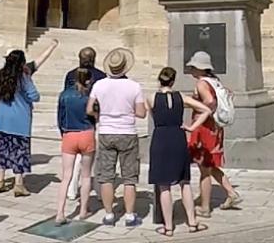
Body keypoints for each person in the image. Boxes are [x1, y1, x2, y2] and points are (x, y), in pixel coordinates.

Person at [147, 66, 211, 236]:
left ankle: (168, 227)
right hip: (178, 136)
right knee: (184, 182)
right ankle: (192, 222)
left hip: (160, 137)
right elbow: (206, 110)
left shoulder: (151, 98)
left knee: (164, 185)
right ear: (173, 81)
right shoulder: (181, 97)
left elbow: (154, 117)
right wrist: (192, 127)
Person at [87, 47, 146, 228]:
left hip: (106, 131)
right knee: (129, 177)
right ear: (125, 67)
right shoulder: (134, 86)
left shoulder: (99, 85)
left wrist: (101, 117)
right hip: (127, 132)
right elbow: (141, 113)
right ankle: (129, 216)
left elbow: (89, 109)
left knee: (106, 176)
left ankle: (109, 215)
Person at [186, 51, 240, 216]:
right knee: (211, 165)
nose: (191, 70)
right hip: (215, 128)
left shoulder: (202, 83)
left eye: (193, 67)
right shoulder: (215, 81)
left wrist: (195, 106)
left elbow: (209, 101)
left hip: (205, 128)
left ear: (199, 68)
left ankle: (205, 207)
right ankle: (231, 193)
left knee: (204, 169)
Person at [0, 49, 40, 195]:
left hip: (1, 119)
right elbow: (34, 96)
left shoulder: (0, 74)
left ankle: (0, 180)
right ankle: (18, 184)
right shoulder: (23, 77)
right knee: (20, 152)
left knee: (2, 150)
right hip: (20, 120)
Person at [63, 47, 105, 201]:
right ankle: (99, 191)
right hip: (94, 118)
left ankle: (71, 190)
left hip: (74, 120)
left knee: (75, 158)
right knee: (96, 157)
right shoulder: (100, 76)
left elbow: (66, 97)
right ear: (94, 59)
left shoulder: (70, 75)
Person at [55, 68, 96, 224]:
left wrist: (63, 133)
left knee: (66, 177)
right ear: (87, 80)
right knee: (86, 176)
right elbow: (94, 116)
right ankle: (83, 210)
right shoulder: (89, 96)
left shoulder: (64, 95)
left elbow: (60, 118)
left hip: (69, 134)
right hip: (86, 133)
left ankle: (60, 213)